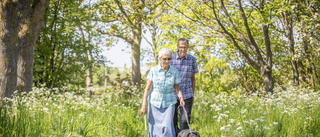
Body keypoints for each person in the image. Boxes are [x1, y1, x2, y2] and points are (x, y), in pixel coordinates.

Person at [140, 48, 186, 137]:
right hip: (154, 103)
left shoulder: (174, 72)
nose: (167, 61)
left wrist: (181, 98)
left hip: (169, 103)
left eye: (169, 59)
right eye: (164, 59)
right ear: (160, 59)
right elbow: (147, 89)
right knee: (154, 128)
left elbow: (177, 89)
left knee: (167, 126)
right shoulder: (154, 71)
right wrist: (144, 105)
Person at [171, 38, 199, 132]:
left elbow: (193, 79)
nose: (183, 49)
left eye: (185, 47)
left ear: (188, 47)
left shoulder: (192, 59)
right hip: (172, 95)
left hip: (187, 94)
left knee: (184, 122)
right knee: (172, 122)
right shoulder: (171, 59)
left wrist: (193, 95)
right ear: (177, 47)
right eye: (181, 47)